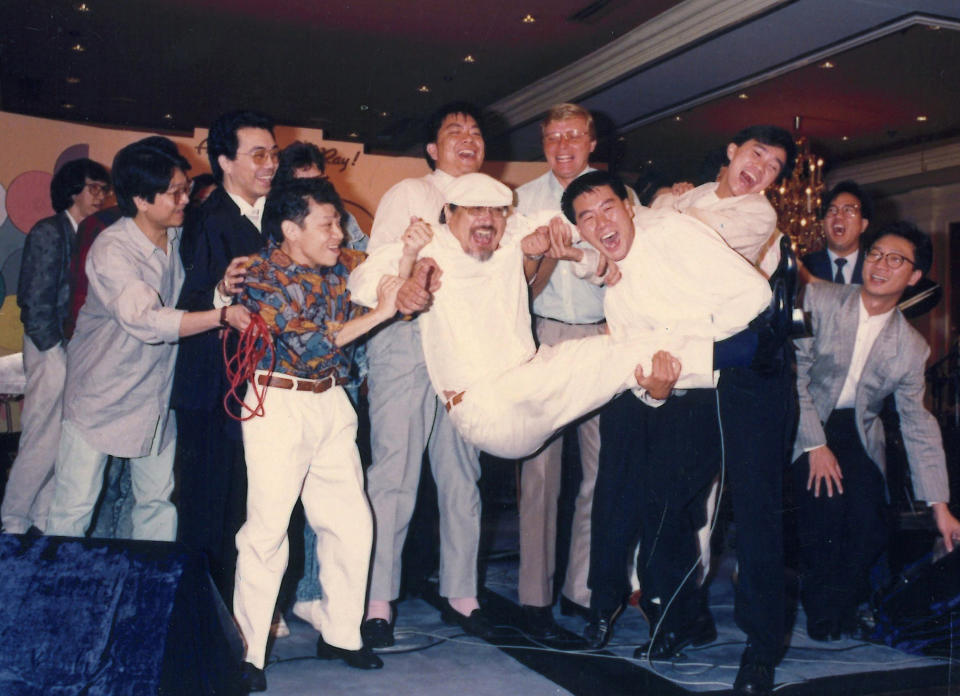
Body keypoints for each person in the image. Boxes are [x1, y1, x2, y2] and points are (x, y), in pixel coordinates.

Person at [561, 166, 792, 696]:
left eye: (608, 208)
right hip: (698, 385)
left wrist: (686, 352)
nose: (601, 223)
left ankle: (762, 648)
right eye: (586, 218)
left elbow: (754, 303)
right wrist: (657, 389)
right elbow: (643, 366)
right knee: (664, 499)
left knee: (755, 512)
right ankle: (685, 621)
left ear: (629, 206)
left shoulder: (674, 232)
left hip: (752, 370)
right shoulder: (616, 291)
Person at [350, 172, 767, 462]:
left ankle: (725, 356)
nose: (487, 219)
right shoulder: (429, 243)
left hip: (532, 382)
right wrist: (405, 271)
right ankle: (743, 350)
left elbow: (578, 222)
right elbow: (362, 284)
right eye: (475, 209)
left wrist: (552, 245)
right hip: (487, 405)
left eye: (497, 211)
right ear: (449, 213)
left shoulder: (511, 233)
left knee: (619, 350)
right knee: (617, 354)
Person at [233, 179, 400, 692]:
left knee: (351, 522)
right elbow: (308, 345)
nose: (340, 232)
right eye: (327, 223)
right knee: (267, 533)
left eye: (339, 223)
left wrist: (405, 281)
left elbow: (374, 289)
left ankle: (343, 633)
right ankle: (249, 652)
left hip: (331, 400)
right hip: (277, 402)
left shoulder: (339, 269)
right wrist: (383, 312)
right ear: (290, 230)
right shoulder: (259, 276)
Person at [45, 136, 250, 540]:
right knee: (74, 508)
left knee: (157, 503)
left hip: (155, 396)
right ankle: (54, 597)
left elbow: (188, 300)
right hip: (100, 397)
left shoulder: (177, 239)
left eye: (185, 189)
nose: (184, 200)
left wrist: (221, 291)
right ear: (140, 199)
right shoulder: (113, 250)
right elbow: (147, 320)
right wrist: (221, 315)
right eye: (174, 192)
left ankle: (150, 597)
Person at [358, 102, 491, 647]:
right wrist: (411, 275)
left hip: (465, 349)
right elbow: (379, 264)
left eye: (476, 132)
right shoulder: (409, 194)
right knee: (394, 474)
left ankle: (462, 593)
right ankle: (376, 600)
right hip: (407, 340)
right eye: (454, 131)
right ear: (433, 149)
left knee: (463, 472)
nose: (468, 139)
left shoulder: (490, 204)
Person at [792, 222, 960, 642]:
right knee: (825, 509)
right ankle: (823, 610)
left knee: (871, 527)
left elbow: (918, 423)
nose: (881, 265)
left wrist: (940, 506)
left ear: (914, 276)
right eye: (876, 254)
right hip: (804, 417)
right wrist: (816, 443)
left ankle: (839, 600)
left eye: (895, 259)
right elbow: (794, 376)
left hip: (858, 432)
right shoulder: (821, 299)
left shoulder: (911, 347)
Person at [514, 103, 635, 637]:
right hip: (543, 334)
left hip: (604, 336)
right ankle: (533, 596)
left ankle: (582, 590)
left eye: (573, 136)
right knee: (539, 471)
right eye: (553, 137)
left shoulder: (619, 198)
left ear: (592, 142)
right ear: (543, 145)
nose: (563, 145)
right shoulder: (521, 201)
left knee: (600, 470)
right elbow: (507, 276)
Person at [172, 110, 277, 604]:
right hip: (212, 391)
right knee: (208, 510)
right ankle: (201, 621)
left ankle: (242, 614)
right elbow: (179, 306)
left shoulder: (279, 217)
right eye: (258, 154)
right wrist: (220, 293)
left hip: (261, 390)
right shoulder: (203, 222)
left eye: (273, 153)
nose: (270, 163)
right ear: (225, 162)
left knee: (250, 507)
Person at [274, 140, 371, 630]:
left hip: (338, 381)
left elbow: (368, 275)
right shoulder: (271, 248)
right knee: (274, 509)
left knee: (336, 510)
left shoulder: (342, 235)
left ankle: (322, 604)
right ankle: (272, 606)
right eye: (302, 184)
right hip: (279, 390)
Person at [2, 158, 109, 534]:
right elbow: (33, 300)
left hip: (75, 349)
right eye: (93, 188)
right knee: (41, 436)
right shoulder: (50, 231)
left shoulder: (92, 233)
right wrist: (53, 351)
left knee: (62, 438)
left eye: (103, 189)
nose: (100, 196)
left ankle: (42, 516)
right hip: (49, 346)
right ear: (72, 191)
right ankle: (13, 518)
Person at [802, 180, 872, 284]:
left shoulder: (874, 268)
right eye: (832, 210)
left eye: (848, 210)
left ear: (863, 225)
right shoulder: (804, 268)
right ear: (823, 223)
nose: (838, 216)